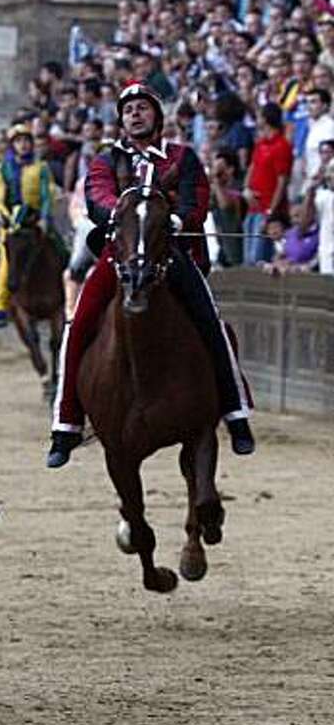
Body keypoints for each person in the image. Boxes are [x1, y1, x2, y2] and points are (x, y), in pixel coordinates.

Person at [47, 80, 255, 468]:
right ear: (122, 120)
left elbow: (197, 199)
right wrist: (128, 213)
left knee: (211, 322)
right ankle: (67, 424)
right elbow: (97, 198)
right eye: (128, 110)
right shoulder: (107, 161)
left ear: (156, 116)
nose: (135, 114)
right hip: (120, 254)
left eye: (142, 108)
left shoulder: (183, 156)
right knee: (77, 327)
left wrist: (174, 218)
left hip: (171, 252)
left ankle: (236, 412)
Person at [0, 124, 56, 327]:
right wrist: (6, 218)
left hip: (37, 220)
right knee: (6, 261)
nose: (24, 145)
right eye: (19, 141)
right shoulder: (1, 169)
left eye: (27, 141)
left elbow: (47, 194)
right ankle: (1, 303)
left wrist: (45, 217)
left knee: (61, 251)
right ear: (12, 145)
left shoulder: (41, 167)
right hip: (13, 223)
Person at [242, 103, 292, 266]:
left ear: (266, 118)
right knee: (248, 255)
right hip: (253, 207)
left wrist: (271, 211)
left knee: (258, 257)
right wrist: (246, 189)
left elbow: (282, 181)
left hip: (266, 209)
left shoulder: (282, 146)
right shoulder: (261, 143)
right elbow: (252, 167)